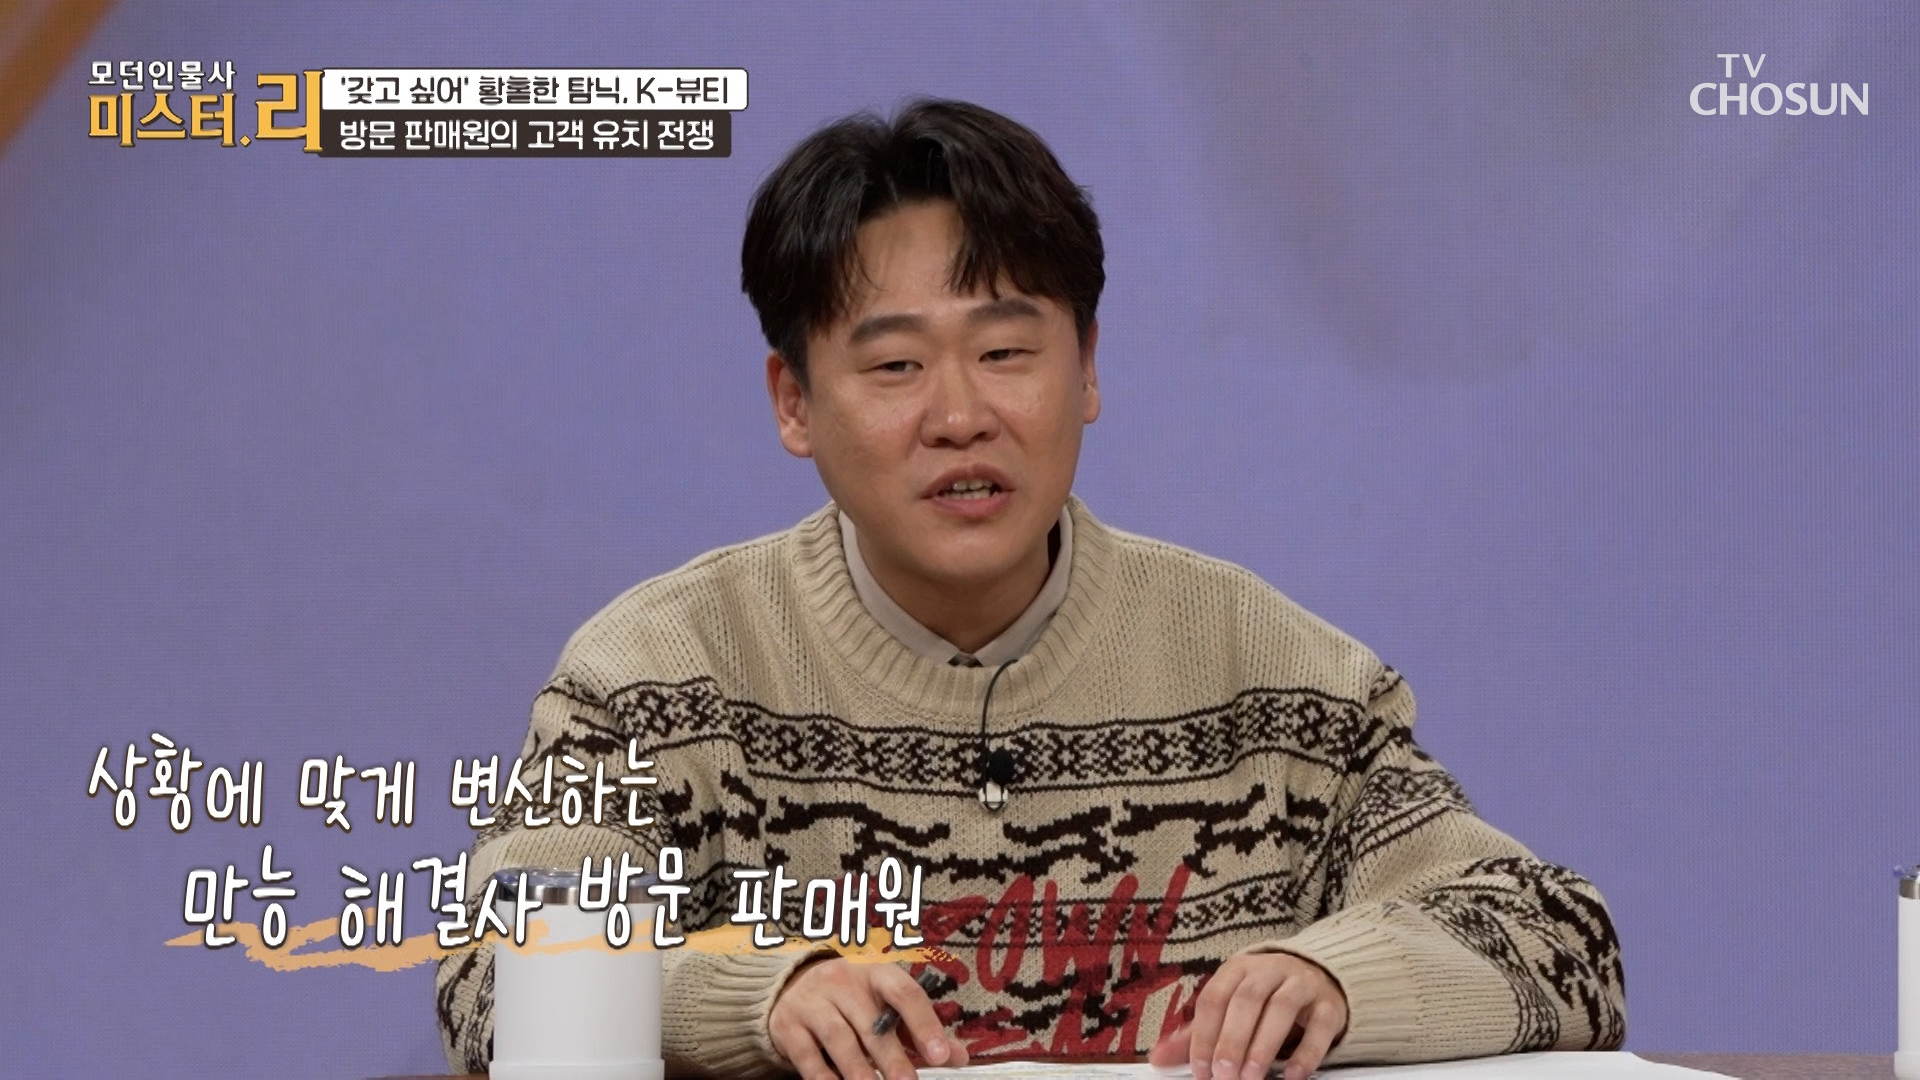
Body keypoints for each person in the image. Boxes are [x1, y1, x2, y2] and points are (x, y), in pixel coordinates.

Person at [436, 99, 1625, 1080]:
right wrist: (758, 997)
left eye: (1006, 353)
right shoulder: (656, 680)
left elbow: (1561, 942)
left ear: (1088, 369)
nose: (961, 416)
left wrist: (1336, 977)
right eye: (896, 365)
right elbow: (492, 975)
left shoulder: (1278, 680)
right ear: (793, 402)